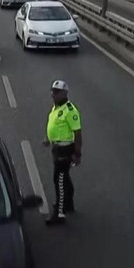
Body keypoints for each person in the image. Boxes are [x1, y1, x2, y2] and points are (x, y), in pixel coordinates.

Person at [43, 80, 82, 226]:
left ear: (64, 93)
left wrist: (77, 154)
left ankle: (59, 213)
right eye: (53, 91)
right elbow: (55, 125)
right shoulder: (56, 107)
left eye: (57, 92)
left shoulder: (70, 111)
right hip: (57, 147)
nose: (53, 94)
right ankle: (69, 203)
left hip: (65, 149)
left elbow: (77, 134)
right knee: (64, 177)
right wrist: (49, 139)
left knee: (58, 180)